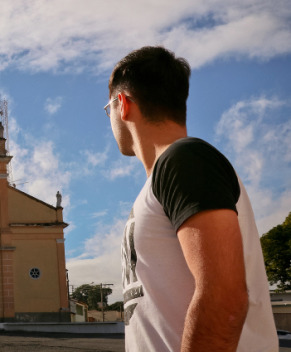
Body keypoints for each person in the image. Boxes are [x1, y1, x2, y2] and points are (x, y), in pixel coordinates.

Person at [107, 46, 277, 352]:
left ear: (122, 104)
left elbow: (224, 296)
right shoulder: (167, 175)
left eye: (108, 109)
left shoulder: (183, 159)